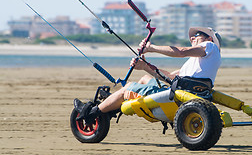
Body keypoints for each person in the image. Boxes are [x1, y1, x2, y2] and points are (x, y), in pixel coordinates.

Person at [75, 27, 222, 125]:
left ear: (209, 38)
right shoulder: (198, 64)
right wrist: (145, 66)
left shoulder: (210, 46)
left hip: (180, 98)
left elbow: (181, 52)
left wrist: (151, 48)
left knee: (128, 88)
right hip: (184, 94)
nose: (192, 39)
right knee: (145, 79)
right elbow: (170, 77)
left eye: (196, 35)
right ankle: (110, 109)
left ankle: (91, 113)